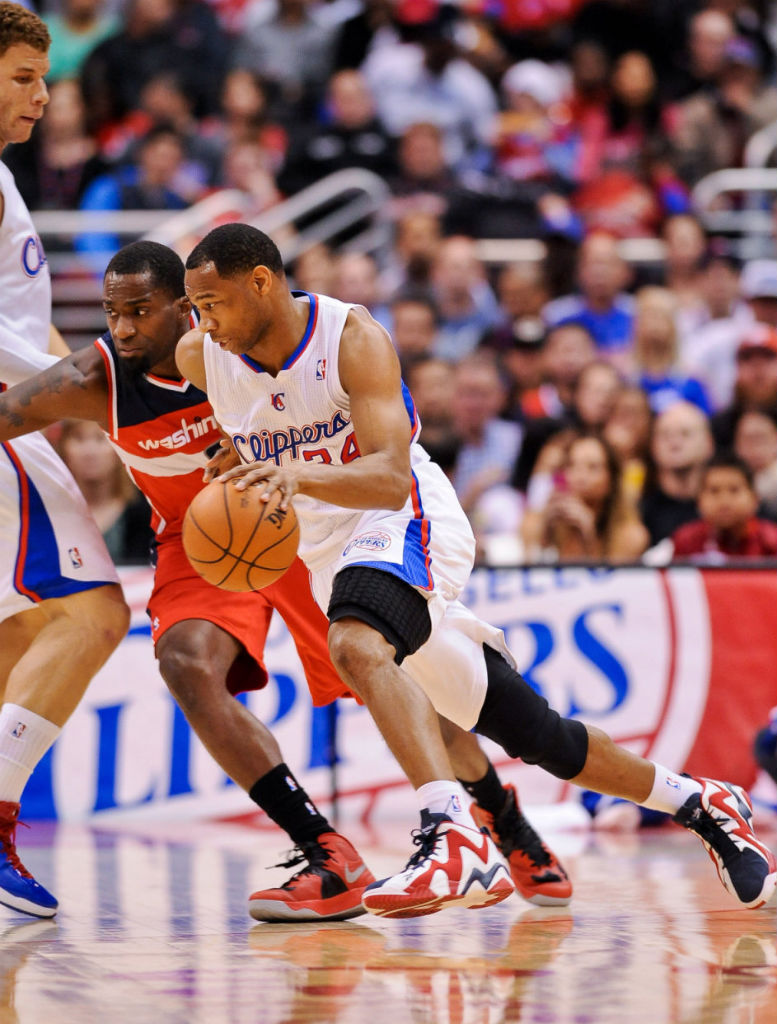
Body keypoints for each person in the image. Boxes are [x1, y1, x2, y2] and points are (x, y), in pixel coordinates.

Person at [179, 222, 776, 918]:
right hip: (323, 552)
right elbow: (237, 413)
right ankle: (701, 801)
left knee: (354, 644)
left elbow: (385, 476)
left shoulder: (350, 338)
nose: (204, 320)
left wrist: (291, 472)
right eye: (193, 307)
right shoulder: (201, 355)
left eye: (213, 302)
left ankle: (450, 834)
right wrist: (230, 457)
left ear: (260, 282)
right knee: (537, 737)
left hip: (403, 516)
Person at [0, 240, 572, 915]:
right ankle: (325, 850)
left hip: (295, 523)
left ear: (189, 309)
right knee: (183, 662)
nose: (122, 328)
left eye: (140, 312)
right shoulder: (99, 378)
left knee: (397, 676)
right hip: (200, 544)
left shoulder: (233, 351)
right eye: (111, 313)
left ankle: (498, 818)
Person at [0, 2, 130, 917]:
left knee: (13, 644)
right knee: (91, 612)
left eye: (43, 79)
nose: (43, 98)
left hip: (27, 414)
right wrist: (110, 390)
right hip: (4, 423)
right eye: (21, 78)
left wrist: (87, 398)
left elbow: (23, 319)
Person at [669, 453, 777, 562]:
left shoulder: (771, 541)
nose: (724, 501)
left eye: (734, 490)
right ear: (698, 500)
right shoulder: (685, 541)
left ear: (755, 498)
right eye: (714, 491)